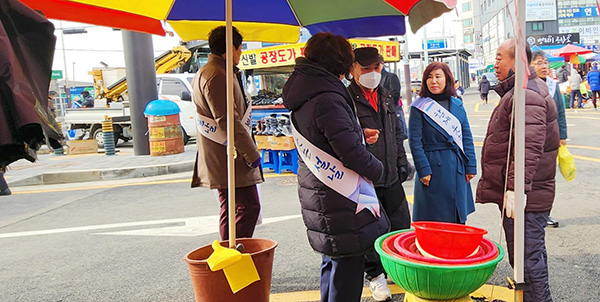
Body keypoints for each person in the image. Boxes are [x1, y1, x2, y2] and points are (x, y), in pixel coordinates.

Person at [282, 33, 389, 302]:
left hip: (322, 191)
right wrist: (379, 170)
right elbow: (350, 153)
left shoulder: (307, 90)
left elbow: (325, 136)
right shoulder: (327, 96)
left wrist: (357, 133)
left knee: (333, 265)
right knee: (346, 274)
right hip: (340, 197)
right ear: (340, 63)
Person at [476, 39, 559, 302]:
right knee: (528, 258)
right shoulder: (520, 91)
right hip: (524, 196)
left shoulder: (527, 93)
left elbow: (528, 146)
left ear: (517, 60)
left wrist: (515, 187)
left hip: (527, 198)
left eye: (500, 57)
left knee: (528, 260)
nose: (495, 63)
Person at [347, 47, 411, 301]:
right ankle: (375, 276)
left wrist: (402, 161)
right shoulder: (346, 98)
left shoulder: (385, 95)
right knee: (370, 229)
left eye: (377, 67)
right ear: (352, 70)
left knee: (399, 223)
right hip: (364, 177)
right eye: (366, 68)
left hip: (391, 173)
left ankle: (395, 267)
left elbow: (396, 132)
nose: (373, 73)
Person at [191, 26, 263, 241]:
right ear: (232, 48)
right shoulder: (216, 75)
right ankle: (233, 259)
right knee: (246, 208)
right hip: (227, 154)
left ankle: (232, 258)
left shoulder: (217, 71)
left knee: (234, 208)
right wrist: (252, 154)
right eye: (240, 49)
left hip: (227, 152)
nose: (240, 55)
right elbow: (227, 120)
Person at [408, 62, 477, 224]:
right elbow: (415, 142)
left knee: (457, 220)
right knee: (435, 220)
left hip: (457, 167)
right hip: (432, 169)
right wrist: (423, 170)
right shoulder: (419, 107)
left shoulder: (457, 104)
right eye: (429, 77)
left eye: (438, 76)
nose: (434, 81)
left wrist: (471, 166)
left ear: (447, 79)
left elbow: (467, 137)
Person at [530, 51, 568, 228]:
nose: (544, 66)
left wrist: (562, 136)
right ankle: (531, 213)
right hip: (532, 142)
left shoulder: (553, 86)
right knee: (531, 177)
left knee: (547, 179)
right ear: (530, 65)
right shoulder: (527, 87)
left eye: (545, 63)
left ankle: (545, 213)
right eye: (539, 63)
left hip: (550, 142)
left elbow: (560, 112)